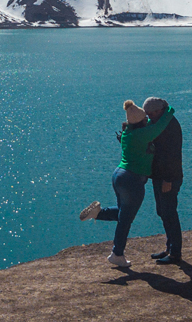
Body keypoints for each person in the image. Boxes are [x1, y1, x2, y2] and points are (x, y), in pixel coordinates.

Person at [78, 98, 175, 268]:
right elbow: (159, 127)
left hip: (119, 176)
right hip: (132, 180)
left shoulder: (128, 133)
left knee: (124, 213)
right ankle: (117, 253)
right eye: (146, 119)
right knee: (126, 219)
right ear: (141, 122)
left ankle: (98, 214)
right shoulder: (141, 135)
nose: (148, 120)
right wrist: (170, 110)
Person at [144, 97, 183, 264]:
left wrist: (168, 179)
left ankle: (175, 253)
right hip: (159, 176)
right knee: (163, 212)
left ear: (160, 110)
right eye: (147, 114)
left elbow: (172, 155)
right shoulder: (161, 123)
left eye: (152, 113)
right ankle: (169, 247)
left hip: (168, 178)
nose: (149, 117)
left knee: (169, 213)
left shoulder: (170, 126)